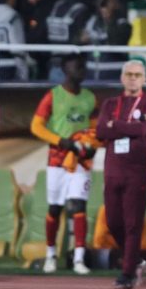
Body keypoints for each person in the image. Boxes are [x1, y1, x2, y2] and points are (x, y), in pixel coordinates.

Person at [30, 54, 99, 275]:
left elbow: (96, 130)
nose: (81, 70)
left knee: (78, 206)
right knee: (55, 208)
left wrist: (93, 146)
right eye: (77, 66)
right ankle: (51, 255)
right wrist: (61, 141)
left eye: (83, 65)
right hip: (58, 159)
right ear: (64, 68)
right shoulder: (53, 96)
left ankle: (78, 258)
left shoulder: (90, 98)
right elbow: (36, 126)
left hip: (80, 161)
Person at [96, 61, 146, 289]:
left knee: (133, 224)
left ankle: (128, 273)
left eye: (137, 75)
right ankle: (136, 259)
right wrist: (130, 126)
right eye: (129, 74)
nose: (133, 78)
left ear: (144, 79)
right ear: (122, 78)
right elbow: (102, 130)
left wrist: (117, 125)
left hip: (137, 171)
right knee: (113, 222)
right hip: (113, 170)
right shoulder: (110, 103)